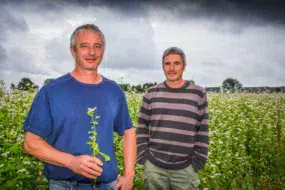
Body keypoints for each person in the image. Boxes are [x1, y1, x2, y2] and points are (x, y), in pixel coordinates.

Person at [23, 24, 136, 190]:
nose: (92, 52)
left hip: (108, 185)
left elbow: (128, 133)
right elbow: (31, 143)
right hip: (64, 186)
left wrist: (129, 175)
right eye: (84, 46)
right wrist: (71, 162)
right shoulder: (52, 91)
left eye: (97, 46)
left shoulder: (114, 91)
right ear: (72, 51)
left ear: (103, 51)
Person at [136, 47, 209, 190]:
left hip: (185, 169)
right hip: (154, 168)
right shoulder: (151, 93)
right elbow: (142, 127)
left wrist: (198, 162)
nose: (171, 68)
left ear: (184, 66)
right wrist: (144, 158)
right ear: (163, 66)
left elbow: (203, 129)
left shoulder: (198, 93)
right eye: (167, 64)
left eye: (176, 63)